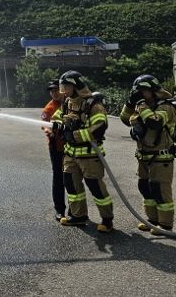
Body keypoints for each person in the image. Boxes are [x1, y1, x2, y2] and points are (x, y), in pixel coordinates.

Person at [51, 70, 114, 233]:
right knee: (71, 186)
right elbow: (55, 117)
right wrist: (59, 124)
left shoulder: (93, 104)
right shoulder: (67, 103)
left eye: (66, 87)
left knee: (96, 187)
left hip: (90, 155)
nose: (63, 91)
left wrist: (74, 134)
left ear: (76, 86)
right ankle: (78, 216)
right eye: (63, 87)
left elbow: (99, 128)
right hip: (70, 154)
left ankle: (107, 219)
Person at [119, 74, 176, 235]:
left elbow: (154, 122)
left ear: (153, 90)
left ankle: (165, 225)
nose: (140, 94)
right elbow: (124, 119)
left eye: (142, 91)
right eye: (137, 91)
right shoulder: (141, 105)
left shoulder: (166, 107)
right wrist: (129, 103)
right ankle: (152, 220)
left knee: (160, 190)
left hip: (161, 157)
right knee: (145, 187)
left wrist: (140, 104)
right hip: (143, 156)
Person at [41, 79, 67, 222]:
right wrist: (50, 131)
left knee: (73, 179)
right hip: (56, 148)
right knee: (58, 178)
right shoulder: (49, 108)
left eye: (56, 90)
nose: (54, 93)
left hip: (73, 147)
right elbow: (45, 125)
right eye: (51, 91)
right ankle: (60, 210)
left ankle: (77, 212)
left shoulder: (70, 103)